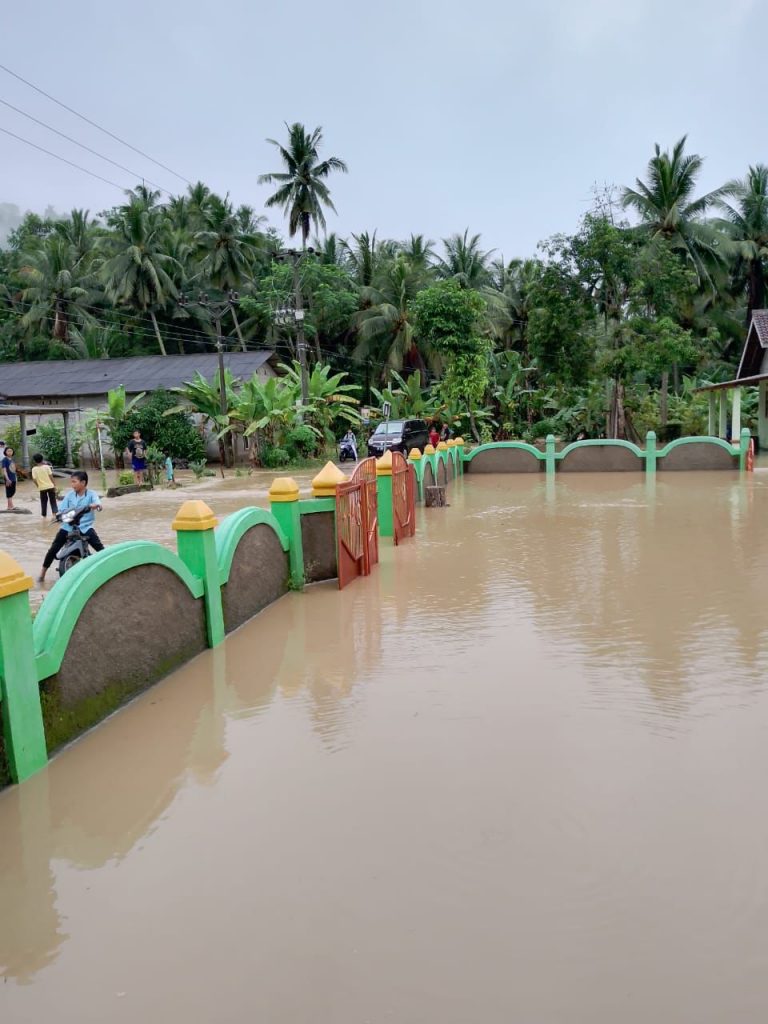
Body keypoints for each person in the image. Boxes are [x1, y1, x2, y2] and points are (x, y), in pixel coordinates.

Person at [38, 471, 103, 582]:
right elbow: (62, 509)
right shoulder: (69, 495)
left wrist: (97, 505)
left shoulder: (91, 494)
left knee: (99, 548)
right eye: (71, 482)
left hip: (85, 526)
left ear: (83, 483)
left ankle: (109, 567)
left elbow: (98, 504)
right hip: (68, 526)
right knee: (53, 549)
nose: (72, 484)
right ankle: (42, 574)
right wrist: (59, 515)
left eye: (74, 482)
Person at [31, 452, 58, 518]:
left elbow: (34, 479)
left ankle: (44, 516)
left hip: (42, 488)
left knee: (43, 502)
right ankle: (54, 514)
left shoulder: (34, 469)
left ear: (34, 461)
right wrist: (54, 485)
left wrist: (38, 486)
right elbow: (51, 476)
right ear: (42, 459)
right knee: (53, 501)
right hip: (50, 486)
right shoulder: (47, 467)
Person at [2, 445, 17, 510]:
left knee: (13, 491)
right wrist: (7, 479)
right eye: (8, 451)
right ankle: (11, 506)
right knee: (9, 492)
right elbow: (4, 470)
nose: (10, 452)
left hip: (13, 478)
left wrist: (16, 477)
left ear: (13, 452)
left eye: (11, 451)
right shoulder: (4, 460)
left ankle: (9, 506)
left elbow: (14, 469)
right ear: (5, 452)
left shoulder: (12, 460)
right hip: (8, 478)